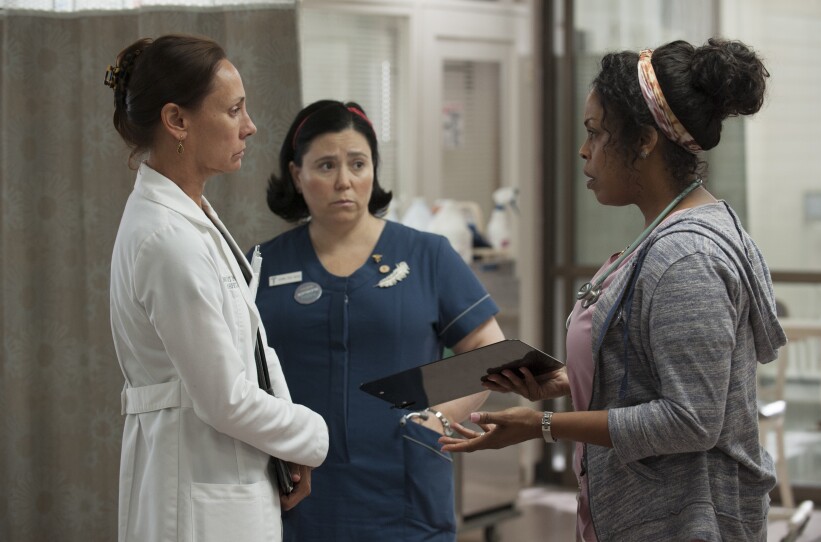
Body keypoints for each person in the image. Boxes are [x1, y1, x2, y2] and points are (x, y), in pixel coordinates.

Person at [440, 38, 786, 542]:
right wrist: (567, 380)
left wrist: (543, 426)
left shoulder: (686, 257)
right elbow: (653, 375)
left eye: (596, 133)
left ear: (645, 141)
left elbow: (691, 420)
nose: (584, 150)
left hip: (685, 523)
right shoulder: (665, 237)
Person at [106, 34, 329, 542]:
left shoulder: (190, 216)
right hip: (195, 492)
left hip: (222, 475)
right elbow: (225, 398)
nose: (249, 126)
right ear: (177, 121)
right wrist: (313, 435)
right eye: (233, 110)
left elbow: (252, 346)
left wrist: (290, 444)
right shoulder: (167, 239)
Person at [251, 99, 505, 541]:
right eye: (326, 165)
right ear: (296, 174)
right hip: (296, 495)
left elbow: (489, 354)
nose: (344, 181)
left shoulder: (428, 255)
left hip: (406, 489)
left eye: (358, 163)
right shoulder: (262, 265)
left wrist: (437, 419)